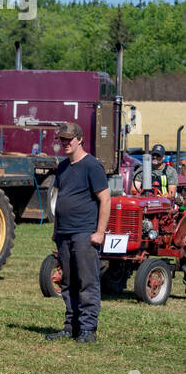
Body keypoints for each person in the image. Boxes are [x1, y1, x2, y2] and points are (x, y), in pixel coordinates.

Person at [46, 122, 111, 344]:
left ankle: (88, 329)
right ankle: (70, 326)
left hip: (85, 233)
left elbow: (105, 198)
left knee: (87, 281)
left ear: (80, 139)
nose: (65, 143)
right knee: (68, 281)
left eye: (69, 139)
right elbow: (61, 199)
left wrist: (99, 232)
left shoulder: (92, 166)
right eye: (62, 140)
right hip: (64, 233)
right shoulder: (63, 167)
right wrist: (56, 232)